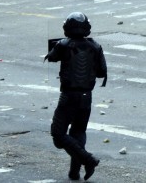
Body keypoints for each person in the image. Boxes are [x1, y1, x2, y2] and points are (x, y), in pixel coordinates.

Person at [44, 12, 107, 181]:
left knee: (58, 135)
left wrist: (56, 47)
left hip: (68, 97)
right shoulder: (95, 46)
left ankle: (88, 160)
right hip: (86, 98)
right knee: (78, 132)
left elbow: (50, 58)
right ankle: (74, 172)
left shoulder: (63, 45)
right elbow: (101, 72)